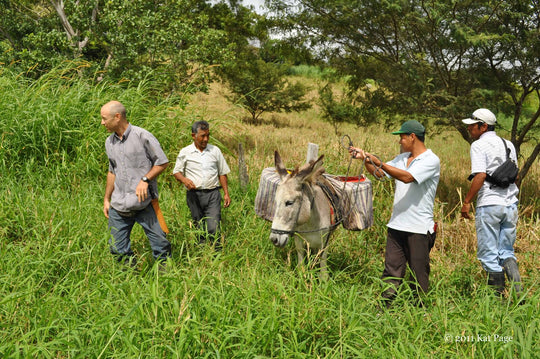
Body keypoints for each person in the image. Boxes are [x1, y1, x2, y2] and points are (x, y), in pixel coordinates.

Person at [349, 120, 440, 306]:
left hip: (419, 228)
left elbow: (407, 177)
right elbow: (379, 173)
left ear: (412, 137)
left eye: (402, 137)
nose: (400, 141)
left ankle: (420, 313)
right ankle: (384, 308)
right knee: (391, 270)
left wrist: (378, 161)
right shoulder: (402, 158)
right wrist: (366, 159)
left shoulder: (431, 160)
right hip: (396, 225)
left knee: (418, 274)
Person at [101, 101, 171, 267]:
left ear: (117, 117)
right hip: (119, 205)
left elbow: (162, 162)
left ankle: (165, 281)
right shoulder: (109, 142)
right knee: (117, 249)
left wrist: (145, 180)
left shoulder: (142, 136)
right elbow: (112, 171)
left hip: (144, 202)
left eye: (104, 119)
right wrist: (106, 199)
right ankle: (129, 281)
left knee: (161, 245)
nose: (102, 123)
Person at [460, 108, 522, 297]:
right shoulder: (508, 144)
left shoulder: (478, 146)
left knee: (488, 254)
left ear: (483, 126)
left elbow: (480, 175)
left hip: (489, 204)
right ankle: (517, 293)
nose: (469, 129)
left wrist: (467, 201)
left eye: (472, 125)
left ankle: (496, 302)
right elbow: (515, 174)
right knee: (506, 251)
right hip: (510, 204)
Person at [173, 121, 231, 250]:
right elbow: (176, 172)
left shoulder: (215, 151)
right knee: (198, 225)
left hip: (213, 194)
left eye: (208, 136)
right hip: (194, 195)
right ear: (193, 135)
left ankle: (217, 253)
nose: (206, 139)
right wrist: (184, 180)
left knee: (213, 226)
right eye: (202, 136)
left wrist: (226, 193)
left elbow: (222, 173)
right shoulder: (185, 152)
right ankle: (202, 253)